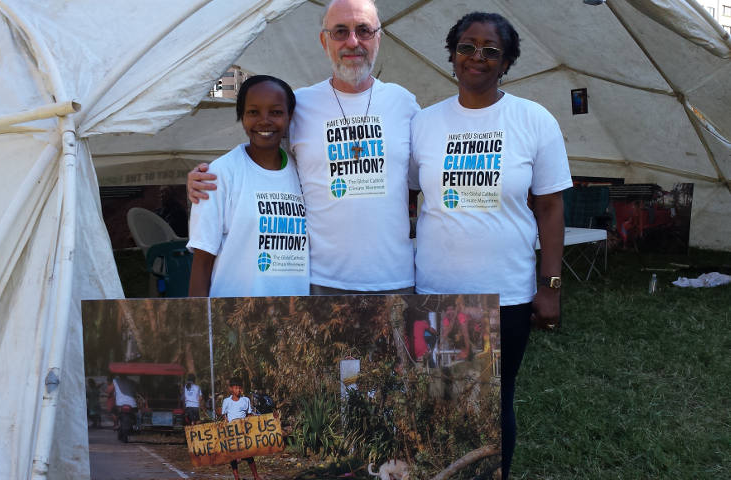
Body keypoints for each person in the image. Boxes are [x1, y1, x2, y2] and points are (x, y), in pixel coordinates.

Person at [410, 12, 571, 478]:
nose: (476, 57)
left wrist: (551, 286)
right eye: (466, 46)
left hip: (507, 297)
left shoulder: (533, 120)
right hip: (435, 291)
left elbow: (551, 209)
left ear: (507, 62)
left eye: (490, 50)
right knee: (438, 397)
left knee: (495, 401)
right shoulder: (425, 123)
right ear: (452, 54)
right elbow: (405, 195)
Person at [188, 0, 420, 295]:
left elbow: (428, 176)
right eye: (340, 31)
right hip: (321, 283)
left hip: (396, 280)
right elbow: (260, 148)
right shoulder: (301, 105)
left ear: (378, 38)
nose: (353, 41)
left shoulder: (405, 103)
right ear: (324, 41)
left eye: (363, 30)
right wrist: (204, 179)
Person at [187, 75, 308, 297]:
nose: (265, 120)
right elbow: (202, 262)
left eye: (276, 112)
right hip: (235, 318)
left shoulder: (304, 170)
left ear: (290, 117)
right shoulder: (219, 174)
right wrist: (199, 327)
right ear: (242, 117)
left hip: (295, 317)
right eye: (253, 112)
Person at [221, 378, 261, 480]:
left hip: (244, 431)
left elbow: (249, 415)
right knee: (233, 456)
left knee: (248, 455)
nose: (238, 390)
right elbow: (224, 416)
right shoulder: (226, 401)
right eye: (236, 388)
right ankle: (236, 477)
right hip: (232, 433)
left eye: (239, 388)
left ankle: (256, 476)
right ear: (231, 389)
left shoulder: (245, 400)